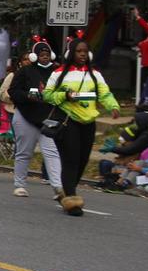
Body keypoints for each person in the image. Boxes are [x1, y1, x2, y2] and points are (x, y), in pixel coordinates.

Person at [43, 39, 120, 217]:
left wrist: (113, 106)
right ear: (71, 54)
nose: (83, 54)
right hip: (67, 121)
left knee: (82, 160)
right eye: (78, 51)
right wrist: (65, 96)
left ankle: (68, 189)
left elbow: (104, 93)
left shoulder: (94, 74)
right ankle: (71, 199)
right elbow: (47, 95)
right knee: (71, 160)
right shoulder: (59, 73)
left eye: (85, 51)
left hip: (88, 122)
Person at [8, 40, 64, 199]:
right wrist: (27, 96)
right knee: (24, 152)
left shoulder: (58, 72)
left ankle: (58, 187)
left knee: (52, 152)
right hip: (26, 116)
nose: (45, 57)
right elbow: (13, 91)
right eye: (41, 55)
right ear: (34, 56)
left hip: (48, 118)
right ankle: (20, 185)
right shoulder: (25, 71)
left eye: (47, 55)